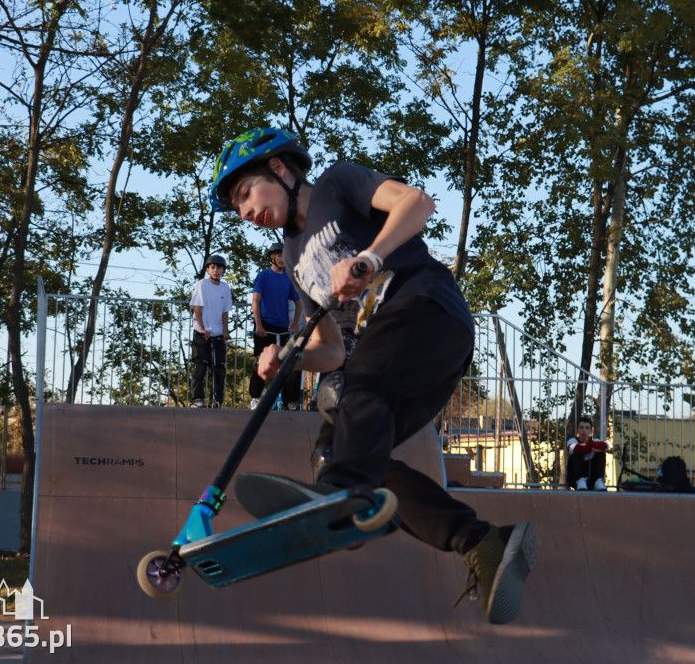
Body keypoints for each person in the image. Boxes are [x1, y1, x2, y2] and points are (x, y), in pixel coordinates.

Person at [208, 127, 537, 625]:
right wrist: (289, 358)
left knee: (357, 407)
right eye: (237, 209)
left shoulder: (339, 184)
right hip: (401, 357)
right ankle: (483, 543)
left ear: (278, 170)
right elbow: (333, 351)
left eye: (244, 194)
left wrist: (368, 258)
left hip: (425, 307)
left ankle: (342, 494)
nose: (244, 212)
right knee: (342, 449)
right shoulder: (295, 260)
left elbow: (417, 202)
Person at [249, 242, 304, 410]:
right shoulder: (263, 276)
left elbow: (299, 302)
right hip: (264, 326)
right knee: (261, 361)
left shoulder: (288, 278)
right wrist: (258, 324)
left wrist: (294, 322)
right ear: (272, 257)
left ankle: (290, 401)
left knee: (289, 363)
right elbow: (256, 301)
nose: (282, 259)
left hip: (282, 327)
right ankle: (255, 398)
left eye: (284, 255)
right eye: (279, 255)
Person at [189, 254, 232, 408]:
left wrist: (226, 331)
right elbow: (197, 308)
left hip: (218, 333)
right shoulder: (202, 285)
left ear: (223, 270)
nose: (215, 270)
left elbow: (225, 311)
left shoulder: (225, 287)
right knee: (200, 367)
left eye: (219, 268)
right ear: (207, 269)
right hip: (202, 332)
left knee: (219, 369)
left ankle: (217, 400)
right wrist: (202, 328)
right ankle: (197, 399)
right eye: (212, 267)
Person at [566, 416, 610, 490]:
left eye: (587, 428)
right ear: (577, 430)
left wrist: (587, 446)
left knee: (601, 454)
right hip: (575, 480)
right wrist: (593, 448)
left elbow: (606, 446)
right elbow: (573, 449)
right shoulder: (573, 440)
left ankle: (598, 481)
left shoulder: (595, 440)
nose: (584, 430)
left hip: (591, 479)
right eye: (581, 428)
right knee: (576, 452)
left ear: (591, 431)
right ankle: (580, 480)